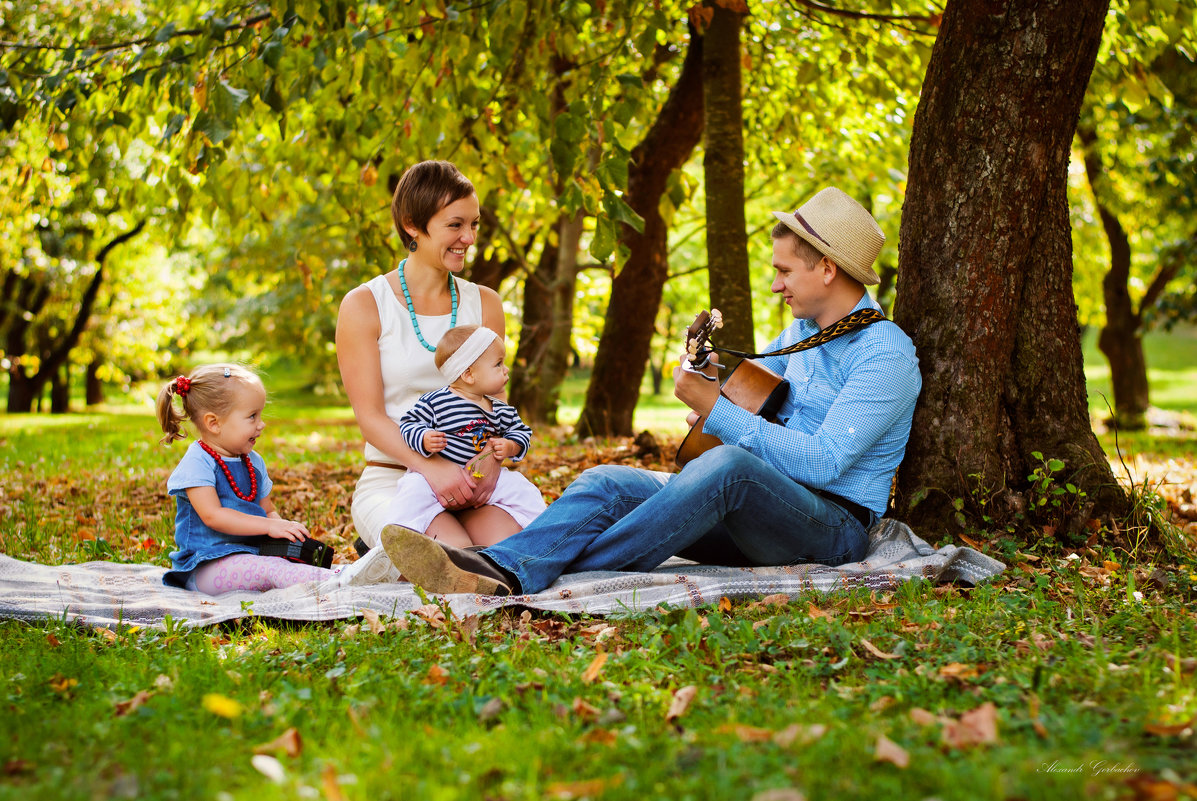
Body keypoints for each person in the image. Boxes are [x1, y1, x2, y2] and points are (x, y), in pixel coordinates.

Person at [380, 187, 923, 596]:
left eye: (784, 272)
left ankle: (519, 571)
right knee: (608, 481)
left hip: (830, 527)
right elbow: (761, 411)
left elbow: (827, 463)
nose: (776, 284)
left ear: (827, 269)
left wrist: (719, 413)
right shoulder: (798, 336)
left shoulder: (885, 354)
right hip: (754, 508)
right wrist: (714, 394)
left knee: (729, 465)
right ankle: (499, 565)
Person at [336, 160, 519, 570]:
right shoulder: (365, 305)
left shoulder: (485, 302)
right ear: (412, 225)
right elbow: (370, 417)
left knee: (515, 559)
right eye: (455, 225)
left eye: (474, 224)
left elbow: (498, 401)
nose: (468, 238)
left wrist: (491, 465)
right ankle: (386, 547)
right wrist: (430, 468)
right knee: (454, 564)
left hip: (475, 481)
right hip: (396, 478)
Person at [156, 364, 388, 594]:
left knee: (286, 563)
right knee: (272, 570)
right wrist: (270, 526)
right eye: (252, 416)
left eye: (260, 414)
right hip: (205, 565)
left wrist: (286, 532)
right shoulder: (198, 462)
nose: (262, 424)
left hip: (252, 554)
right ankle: (342, 580)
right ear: (214, 423)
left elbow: (267, 510)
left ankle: (347, 574)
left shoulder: (252, 461)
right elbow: (213, 516)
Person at [383, 325, 546, 546]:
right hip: (437, 479)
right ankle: (396, 540)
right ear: (469, 374)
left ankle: (544, 531)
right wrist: (423, 438)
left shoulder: (499, 409)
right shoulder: (435, 402)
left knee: (523, 490)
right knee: (411, 490)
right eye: (498, 364)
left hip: (485, 479)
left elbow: (521, 432)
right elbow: (409, 423)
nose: (505, 370)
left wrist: (509, 446)